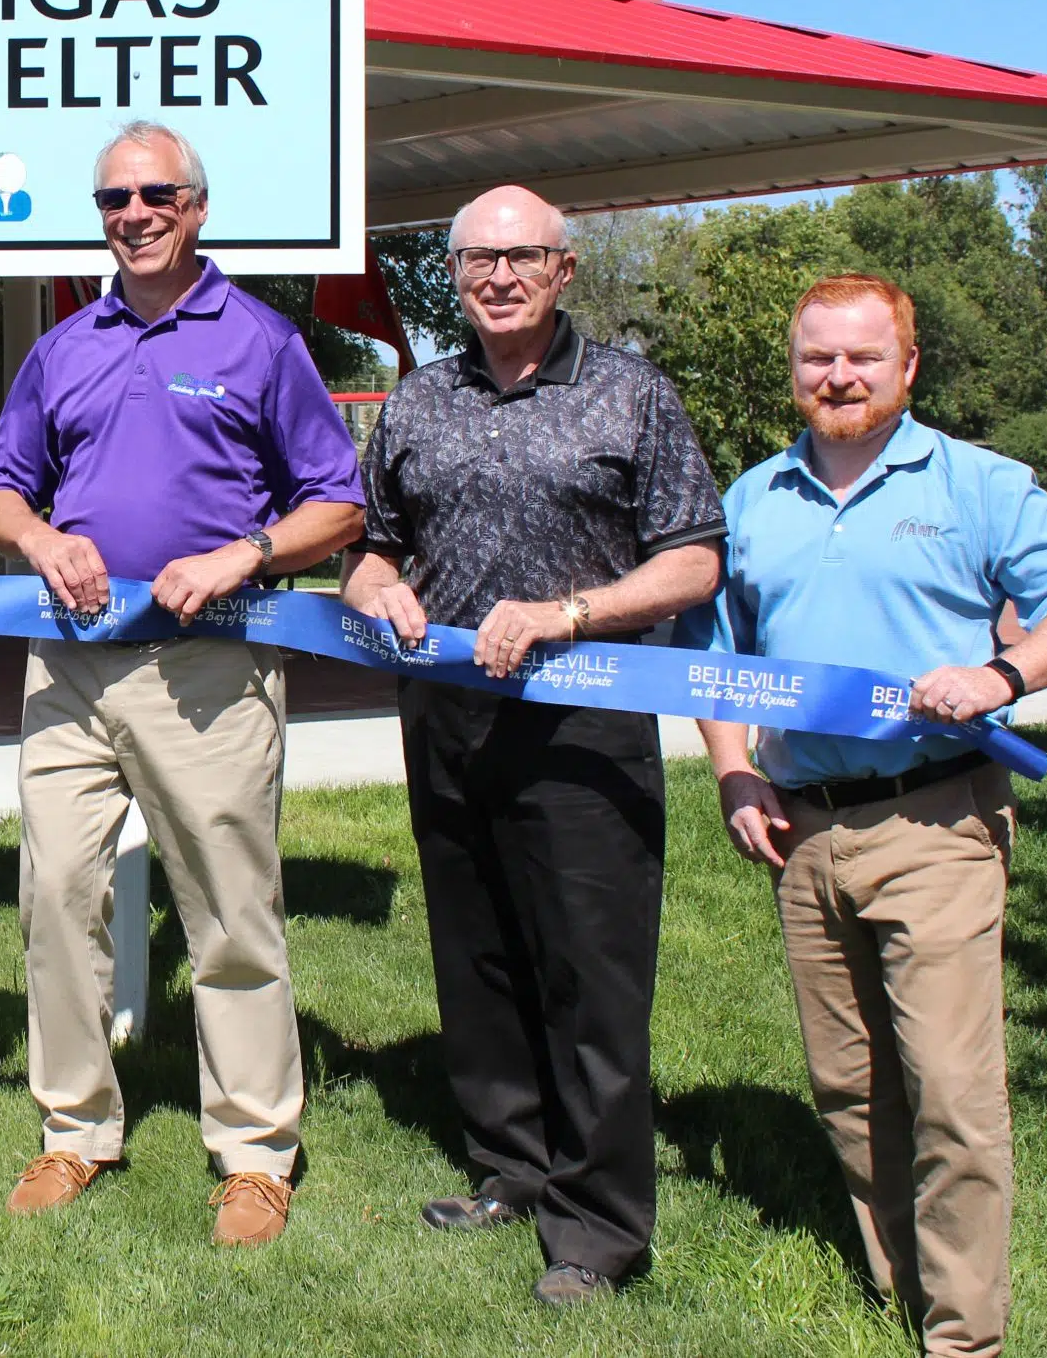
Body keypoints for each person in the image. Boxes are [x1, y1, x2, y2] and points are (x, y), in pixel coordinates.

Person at [690, 274, 1047, 1358]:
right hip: (801, 827)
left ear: (906, 367)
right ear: (793, 370)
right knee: (848, 1088)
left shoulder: (978, 483)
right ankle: (899, 1291)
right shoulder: (752, 499)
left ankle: (963, 1337)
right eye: (816, 360)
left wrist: (1004, 674)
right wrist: (733, 775)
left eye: (861, 358)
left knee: (949, 1092)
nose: (837, 377)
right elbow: (716, 657)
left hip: (934, 823)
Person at [0, 121, 366, 1248]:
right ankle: (72, 1130)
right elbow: (2, 490)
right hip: (69, 669)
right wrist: (42, 540)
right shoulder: (64, 345)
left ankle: (254, 1153)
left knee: (230, 914)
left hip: (208, 670)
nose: (133, 214)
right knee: (55, 903)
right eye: (112, 200)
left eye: (155, 195)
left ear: (196, 207)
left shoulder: (258, 339)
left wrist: (245, 553)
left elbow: (335, 504)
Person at [342, 185, 724, 1304]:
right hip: (448, 714)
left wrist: (571, 613)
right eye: (476, 262)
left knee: (588, 974)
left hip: (583, 715)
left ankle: (598, 1226)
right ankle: (507, 1168)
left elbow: (692, 557)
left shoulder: (630, 394)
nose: (497, 278)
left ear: (563, 270)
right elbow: (372, 545)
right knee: (479, 953)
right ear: (453, 278)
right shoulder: (418, 399)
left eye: (521, 259)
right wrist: (376, 592)